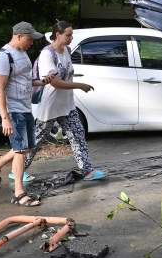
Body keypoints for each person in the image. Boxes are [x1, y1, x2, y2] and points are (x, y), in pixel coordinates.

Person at [25, 20, 105, 180]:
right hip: (50, 106)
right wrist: (79, 85)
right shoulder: (47, 54)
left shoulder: (67, 50)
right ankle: (18, 170)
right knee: (37, 140)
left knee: (77, 134)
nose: (71, 38)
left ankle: (87, 170)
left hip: (67, 105)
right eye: (68, 35)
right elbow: (54, 82)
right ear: (57, 35)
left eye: (72, 35)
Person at [0, 21, 50, 206]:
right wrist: (4, 118)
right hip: (13, 110)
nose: (32, 43)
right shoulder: (3, 57)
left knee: (26, 147)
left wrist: (42, 82)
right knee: (21, 150)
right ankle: (19, 193)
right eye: (30, 39)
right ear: (19, 36)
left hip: (25, 107)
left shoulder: (22, 54)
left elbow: (24, 80)